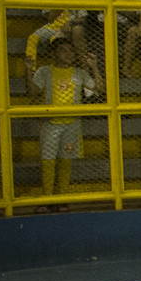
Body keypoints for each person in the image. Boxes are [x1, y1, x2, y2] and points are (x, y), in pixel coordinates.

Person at [30, 36, 95, 200]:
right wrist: (27, 70)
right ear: (54, 54)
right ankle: (48, 197)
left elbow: (99, 87)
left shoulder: (79, 73)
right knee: (48, 161)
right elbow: (33, 92)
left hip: (72, 124)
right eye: (63, 51)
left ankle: (62, 197)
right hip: (50, 123)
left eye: (71, 51)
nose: (68, 54)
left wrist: (94, 68)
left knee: (66, 161)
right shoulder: (45, 71)